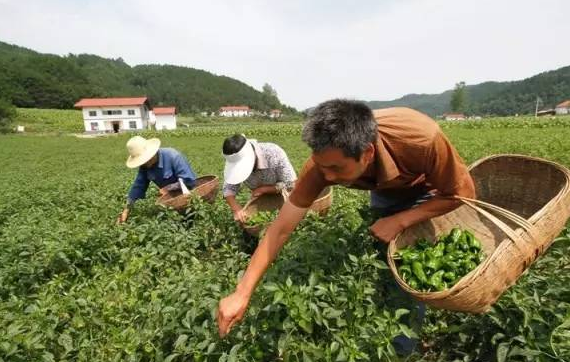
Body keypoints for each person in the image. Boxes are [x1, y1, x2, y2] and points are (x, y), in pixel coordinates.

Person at [217, 100, 476, 355]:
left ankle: (401, 348)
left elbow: (463, 192)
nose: (328, 177)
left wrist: (401, 220)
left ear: (368, 154)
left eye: (336, 168)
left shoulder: (421, 139)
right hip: (384, 187)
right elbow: (280, 228)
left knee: (406, 271)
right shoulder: (320, 167)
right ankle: (384, 305)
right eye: (322, 167)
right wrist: (242, 292)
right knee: (383, 253)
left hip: (428, 187)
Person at [117, 136, 197, 223]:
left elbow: (189, 181)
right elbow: (138, 187)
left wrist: (168, 188)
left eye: (146, 160)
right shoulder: (145, 166)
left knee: (190, 221)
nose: (145, 163)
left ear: (152, 153)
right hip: (171, 202)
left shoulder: (173, 156)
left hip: (190, 198)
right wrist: (126, 209)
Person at [222, 134, 297, 224]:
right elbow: (228, 188)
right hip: (258, 200)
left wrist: (264, 189)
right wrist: (237, 209)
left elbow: (291, 184)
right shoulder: (234, 160)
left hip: (283, 195)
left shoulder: (273, 153)